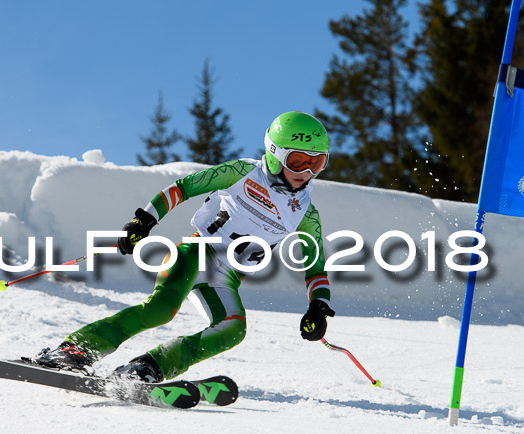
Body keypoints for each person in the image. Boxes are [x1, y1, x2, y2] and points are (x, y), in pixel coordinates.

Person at [31, 111, 336, 382]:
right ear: (273, 154)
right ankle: (76, 349)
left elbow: (315, 268)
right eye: (298, 161)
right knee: (160, 311)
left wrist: (317, 307)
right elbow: (183, 188)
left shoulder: (306, 214)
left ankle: (147, 368)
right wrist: (144, 221)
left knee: (233, 329)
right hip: (195, 251)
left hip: (225, 277)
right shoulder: (243, 173)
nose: (306, 173)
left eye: (317, 163)